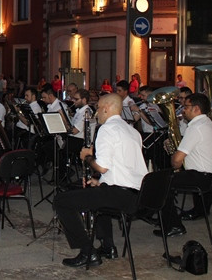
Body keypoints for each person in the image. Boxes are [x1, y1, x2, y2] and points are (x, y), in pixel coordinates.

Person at [54, 93, 147, 268]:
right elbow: (122, 166)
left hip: (120, 195)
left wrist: (87, 157)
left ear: (106, 108)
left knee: (61, 201)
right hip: (138, 194)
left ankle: (88, 252)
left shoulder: (107, 129)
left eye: (98, 108)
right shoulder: (132, 130)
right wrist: (102, 181)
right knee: (98, 193)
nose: (97, 112)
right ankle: (108, 247)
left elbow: (102, 167)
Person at [157, 93, 212, 236]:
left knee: (161, 183)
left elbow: (177, 161)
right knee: (164, 180)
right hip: (208, 174)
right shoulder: (207, 123)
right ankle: (167, 216)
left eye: (186, 107)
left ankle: (173, 225)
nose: (183, 110)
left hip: (201, 176)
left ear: (196, 109)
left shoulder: (196, 127)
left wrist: (174, 157)